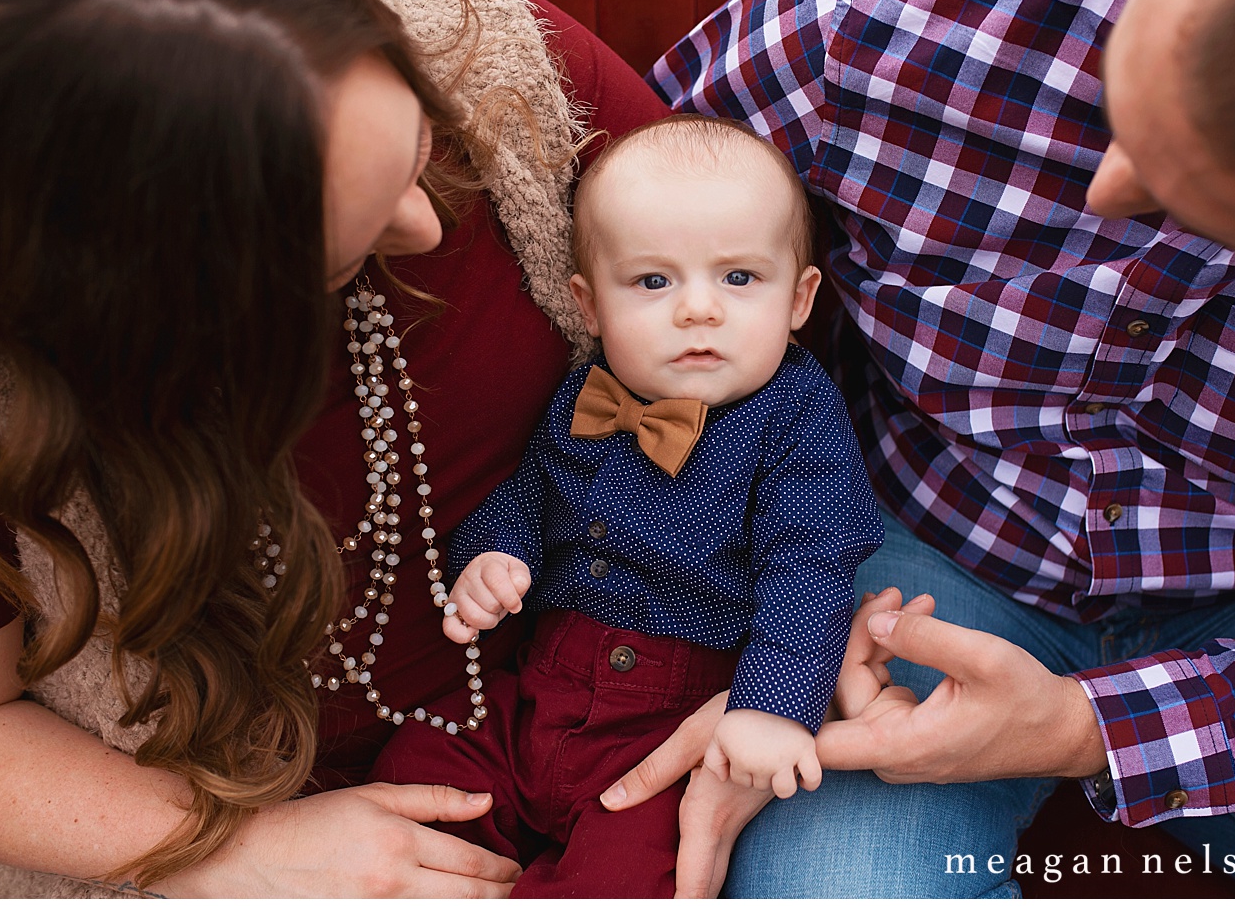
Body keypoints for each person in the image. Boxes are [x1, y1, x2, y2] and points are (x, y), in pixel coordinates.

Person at [631, 0, 1235, 897]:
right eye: (1124, 109)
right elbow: (637, 278)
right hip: (914, 560)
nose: (1110, 189)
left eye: (1219, 209)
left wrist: (1090, 726)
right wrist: (777, 599)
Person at [0, 0, 674, 896]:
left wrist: (757, 674)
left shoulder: (499, 55)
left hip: (613, 719)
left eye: (417, 142)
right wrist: (229, 854)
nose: (424, 228)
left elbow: (754, 357)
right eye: (341, 252)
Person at [365, 113, 884, 895]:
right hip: (539, 687)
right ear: (590, 305)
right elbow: (535, 489)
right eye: (653, 281)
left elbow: (809, 569)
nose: (698, 310)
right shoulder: (585, 391)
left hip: (667, 722)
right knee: (418, 770)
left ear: (800, 297)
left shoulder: (797, 418)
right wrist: (495, 556)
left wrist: (773, 708)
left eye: (739, 279)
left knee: (635, 869)